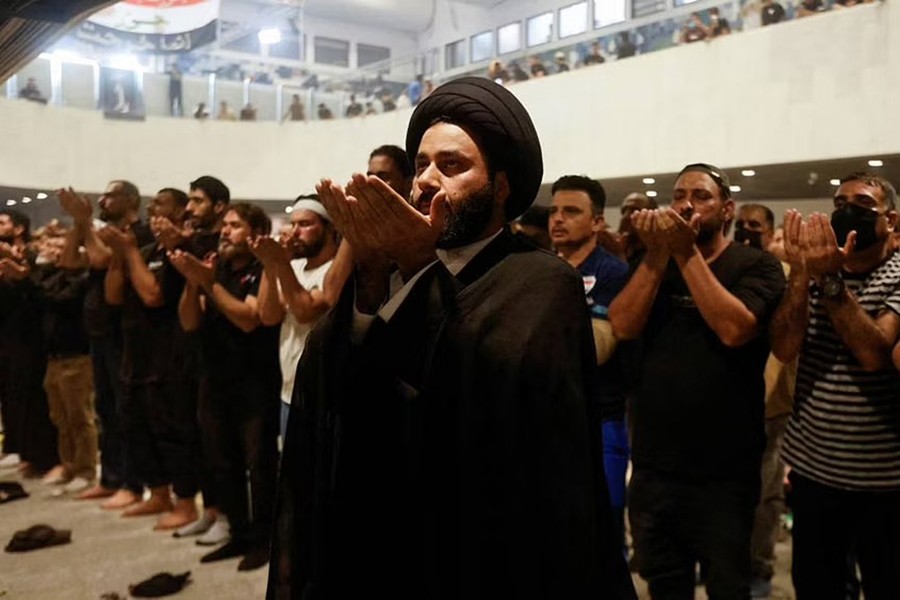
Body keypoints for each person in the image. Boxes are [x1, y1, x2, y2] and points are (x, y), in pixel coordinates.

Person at [268, 76, 636, 599]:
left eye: (452, 165)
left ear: (501, 186)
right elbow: (334, 385)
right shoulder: (387, 271)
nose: (425, 181)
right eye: (420, 165)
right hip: (377, 543)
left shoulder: (539, 280)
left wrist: (418, 266)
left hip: (476, 557)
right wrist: (372, 274)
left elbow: (489, 413)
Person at [609, 163, 786, 599]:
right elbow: (623, 325)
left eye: (701, 196)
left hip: (725, 472)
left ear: (727, 210)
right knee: (665, 584)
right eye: (679, 195)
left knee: (728, 586)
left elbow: (734, 328)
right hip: (654, 466)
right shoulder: (651, 262)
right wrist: (656, 253)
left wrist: (684, 252)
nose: (687, 204)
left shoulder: (757, 266)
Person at [772, 173, 900, 599]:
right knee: (818, 585)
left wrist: (829, 282)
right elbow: (785, 347)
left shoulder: (897, 273)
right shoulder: (815, 269)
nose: (847, 210)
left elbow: (874, 355)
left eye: (862, 204)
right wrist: (799, 274)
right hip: (814, 469)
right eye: (840, 201)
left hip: (884, 477)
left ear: (891, 221)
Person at [172, 203, 280, 571]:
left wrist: (208, 283)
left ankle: (266, 540)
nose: (225, 230)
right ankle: (238, 534)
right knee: (222, 463)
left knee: (259, 466)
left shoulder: (261, 268)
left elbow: (249, 319)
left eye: (235, 225)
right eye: (226, 225)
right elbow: (189, 322)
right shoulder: (214, 270)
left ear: (254, 232)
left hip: (254, 382)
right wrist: (193, 282)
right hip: (213, 380)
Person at [56, 183, 153, 508]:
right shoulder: (102, 231)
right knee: (106, 411)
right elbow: (69, 261)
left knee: (126, 411)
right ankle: (111, 478)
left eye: (110, 195)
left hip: (123, 333)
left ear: (131, 201)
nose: (102, 200)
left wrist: (84, 222)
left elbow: (100, 259)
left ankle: (133, 482)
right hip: (98, 333)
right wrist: (79, 223)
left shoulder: (137, 232)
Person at [549, 175, 630, 554]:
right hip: (550, 418)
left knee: (605, 524)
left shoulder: (613, 272)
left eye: (571, 211)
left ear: (598, 221)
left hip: (602, 419)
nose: (558, 219)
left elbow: (597, 350)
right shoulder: (542, 268)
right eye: (554, 211)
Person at [735, 204, 796, 599]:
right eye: (741, 225)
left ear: (771, 231)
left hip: (771, 402)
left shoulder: (787, 276)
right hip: (728, 400)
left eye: (755, 226)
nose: (747, 232)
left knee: (764, 493)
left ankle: (759, 567)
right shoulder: (728, 270)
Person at [253, 196, 338, 440]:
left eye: (305, 224)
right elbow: (268, 316)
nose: (295, 232)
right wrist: (271, 264)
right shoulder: (295, 267)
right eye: (293, 224)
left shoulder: (334, 272)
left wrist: (280, 262)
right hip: (288, 391)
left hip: (321, 396)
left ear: (329, 228)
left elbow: (304, 311)